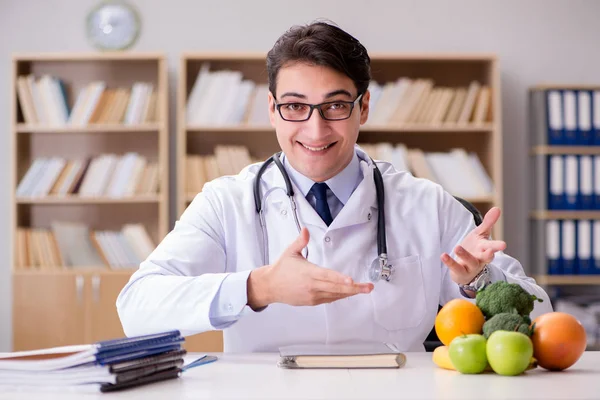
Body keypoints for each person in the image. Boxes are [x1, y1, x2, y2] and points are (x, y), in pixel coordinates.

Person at [116, 21, 552, 352]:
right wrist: (258, 287)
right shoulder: (226, 202)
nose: (315, 127)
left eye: (335, 106)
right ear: (272, 109)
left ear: (363, 107)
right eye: (295, 106)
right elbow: (136, 308)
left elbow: (542, 315)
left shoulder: (426, 204)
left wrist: (478, 281)